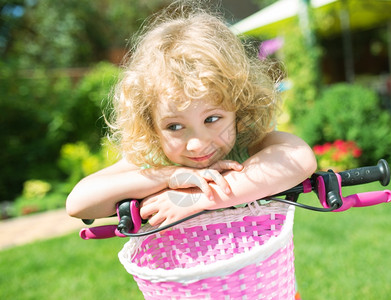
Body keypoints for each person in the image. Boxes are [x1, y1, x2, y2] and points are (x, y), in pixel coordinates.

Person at [66, 2, 316, 233]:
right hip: (183, 276)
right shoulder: (156, 158)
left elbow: (300, 158)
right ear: (150, 125)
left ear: (238, 108)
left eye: (211, 119)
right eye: (174, 126)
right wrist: (171, 176)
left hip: (254, 272)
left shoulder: (246, 141)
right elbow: (79, 202)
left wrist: (200, 197)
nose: (197, 143)